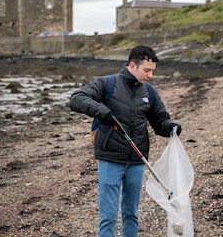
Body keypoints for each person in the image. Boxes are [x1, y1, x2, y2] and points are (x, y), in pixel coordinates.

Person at [69, 45, 181, 237]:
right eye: (147, 70)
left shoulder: (149, 92)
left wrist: (171, 127)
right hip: (110, 160)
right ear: (132, 65)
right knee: (109, 217)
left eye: (152, 71)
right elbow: (77, 99)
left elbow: (160, 121)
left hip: (137, 161)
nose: (150, 75)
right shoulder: (107, 84)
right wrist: (101, 111)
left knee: (131, 214)